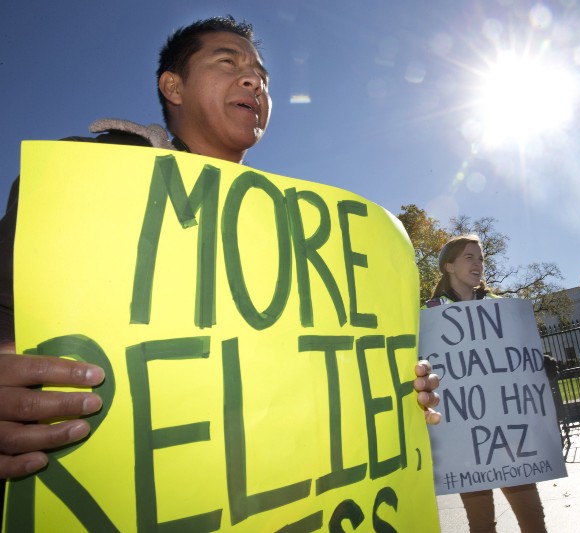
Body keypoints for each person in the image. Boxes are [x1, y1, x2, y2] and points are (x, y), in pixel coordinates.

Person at [0, 16, 441, 485]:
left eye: (263, 78)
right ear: (173, 86)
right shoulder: (87, 177)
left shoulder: (306, 237)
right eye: (227, 61)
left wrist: (393, 389)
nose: (254, 80)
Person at [426, 234, 547, 533]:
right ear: (449, 266)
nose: (478, 263)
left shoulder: (499, 307)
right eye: (470, 257)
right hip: (465, 436)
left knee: (533, 518)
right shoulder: (431, 314)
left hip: (508, 431)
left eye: (481, 258)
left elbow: (515, 353)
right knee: (481, 524)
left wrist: (537, 362)